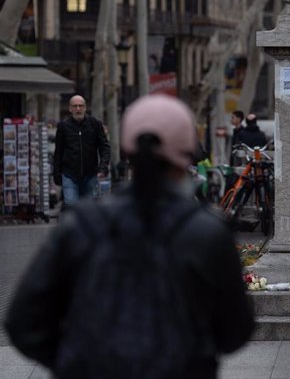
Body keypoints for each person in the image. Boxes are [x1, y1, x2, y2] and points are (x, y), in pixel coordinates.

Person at [5, 94, 254, 379]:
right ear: (186, 155)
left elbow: (24, 321)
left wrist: (73, 360)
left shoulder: (80, 225)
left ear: (127, 150)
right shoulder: (208, 231)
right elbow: (236, 329)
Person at [53, 95, 111, 208]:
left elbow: (104, 147)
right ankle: (72, 225)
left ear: (85, 108)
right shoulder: (63, 126)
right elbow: (58, 152)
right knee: (71, 204)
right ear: (70, 108)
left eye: (80, 106)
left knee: (89, 207)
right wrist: (57, 174)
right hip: (69, 174)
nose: (78, 109)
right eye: (75, 106)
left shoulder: (95, 124)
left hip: (90, 175)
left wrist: (103, 167)